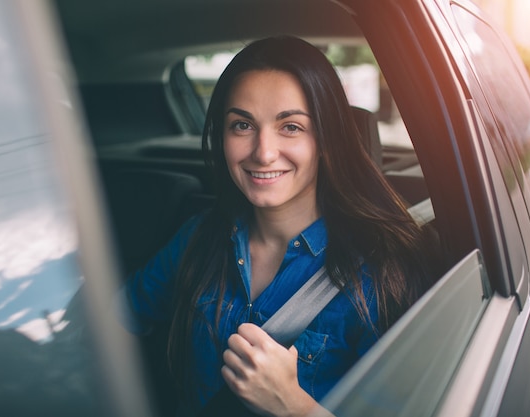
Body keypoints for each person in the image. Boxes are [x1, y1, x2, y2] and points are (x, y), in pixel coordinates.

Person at [120, 35, 439, 417]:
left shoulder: (382, 272)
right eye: (242, 125)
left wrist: (295, 407)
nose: (263, 152)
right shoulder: (199, 236)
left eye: (290, 127)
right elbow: (119, 319)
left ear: (326, 139)